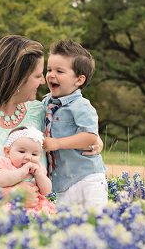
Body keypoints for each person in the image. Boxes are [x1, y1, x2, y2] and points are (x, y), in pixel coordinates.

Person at [0, 35, 103, 210]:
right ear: (17, 78)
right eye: (39, 75)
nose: (44, 81)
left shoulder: (40, 112)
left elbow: (73, 128)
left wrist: (95, 141)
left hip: (30, 221)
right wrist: (9, 195)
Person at [41, 39, 108, 211]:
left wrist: (57, 143)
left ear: (79, 80)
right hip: (63, 182)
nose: (51, 75)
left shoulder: (81, 106)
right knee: (66, 228)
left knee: (94, 223)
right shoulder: (46, 103)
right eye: (49, 69)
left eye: (59, 71)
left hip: (87, 178)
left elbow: (90, 137)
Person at [0, 126, 57, 215]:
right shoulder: (5, 163)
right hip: (9, 206)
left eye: (34, 154)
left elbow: (46, 191)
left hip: (35, 208)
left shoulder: (38, 168)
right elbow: (1, 181)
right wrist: (22, 171)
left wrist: (39, 175)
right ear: (7, 152)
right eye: (22, 152)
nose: (28, 157)